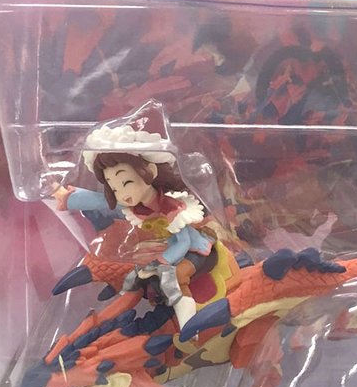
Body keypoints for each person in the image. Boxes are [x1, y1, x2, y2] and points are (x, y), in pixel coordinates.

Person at [55, 122, 236, 329]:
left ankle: (189, 326)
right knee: (134, 276)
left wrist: (161, 262)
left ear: (149, 171)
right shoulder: (134, 204)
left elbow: (184, 241)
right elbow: (100, 200)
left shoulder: (172, 207)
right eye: (114, 188)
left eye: (126, 183)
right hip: (164, 250)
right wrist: (67, 197)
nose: (122, 194)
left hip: (197, 250)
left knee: (176, 277)